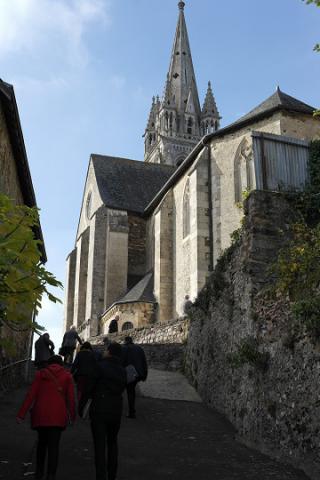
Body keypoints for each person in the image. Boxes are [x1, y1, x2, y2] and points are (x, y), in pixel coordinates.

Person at [17, 355, 76, 480]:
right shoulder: (67, 376)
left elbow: (31, 394)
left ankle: (39, 473)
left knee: (41, 444)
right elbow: (71, 399)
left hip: (41, 414)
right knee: (54, 447)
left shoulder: (40, 374)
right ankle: (51, 475)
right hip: (58, 416)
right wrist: (72, 416)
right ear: (61, 364)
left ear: (49, 363)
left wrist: (21, 414)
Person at [79, 342, 126, 480]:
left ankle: (100, 476)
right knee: (112, 443)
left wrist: (81, 407)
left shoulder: (100, 366)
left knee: (99, 445)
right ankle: (112, 475)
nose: (104, 351)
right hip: (116, 410)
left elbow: (88, 388)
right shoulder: (122, 370)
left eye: (106, 350)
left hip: (99, 409)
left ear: (110, 352)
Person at [122, 336, 148, 419]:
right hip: (137, 374)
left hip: (127, 373)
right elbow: (144, 361)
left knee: (122, 391)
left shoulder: (124, 348)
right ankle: (131, 411)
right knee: (131, 391)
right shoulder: (139, 348)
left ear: (125, 341)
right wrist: (144, 374)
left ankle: (130, 412)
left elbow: (121, 361)